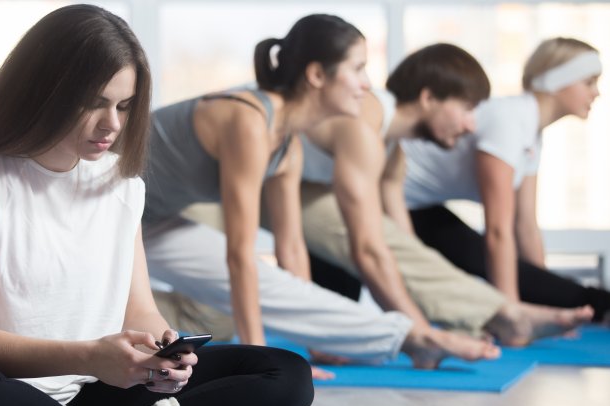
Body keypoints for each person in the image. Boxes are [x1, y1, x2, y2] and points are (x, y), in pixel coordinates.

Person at [0, 5, 314, 406]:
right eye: (95, 104)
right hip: (9, 394)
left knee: (284, 373)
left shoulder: (121, 183)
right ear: (43, 91)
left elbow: (137, 306)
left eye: (124, 105)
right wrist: (87, 357)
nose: (113, 124)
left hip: (92, 391)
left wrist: (163, 353)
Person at [143, 14, 501, 376]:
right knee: (241, 280)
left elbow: (292, 249)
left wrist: (314, 341)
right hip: (106, 214)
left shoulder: (289, 143)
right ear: (316, 76)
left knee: (273, 284)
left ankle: (414, 340)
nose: (366, 85)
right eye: (358, 69)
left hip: (151, 224)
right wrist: (263, 364)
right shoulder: (250, 121)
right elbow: (240, 255)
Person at [297, 43, 593, 347]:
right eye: (466, 108)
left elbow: (406, 249)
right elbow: (369, 250)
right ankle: (495, 319)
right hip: (287, 184)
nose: (471, 124)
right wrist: (423, 334)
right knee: (373, 245)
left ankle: (499, 316)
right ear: (428, 98)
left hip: (304, 185)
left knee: (405, 252)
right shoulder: (369, 121)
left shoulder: (393, 155)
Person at [402, 37, 609, 323]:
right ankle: (596, 306)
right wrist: (518, 316)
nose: (596, 93)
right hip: (399, 203)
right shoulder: (510, 120)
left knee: (499, 260)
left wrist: (545, 307)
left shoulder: (532, 132)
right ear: (558, 81)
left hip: (421, 208)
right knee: (477, 253)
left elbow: (525, 226)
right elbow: (498, 230)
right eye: (589, 82)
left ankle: (584, 307)